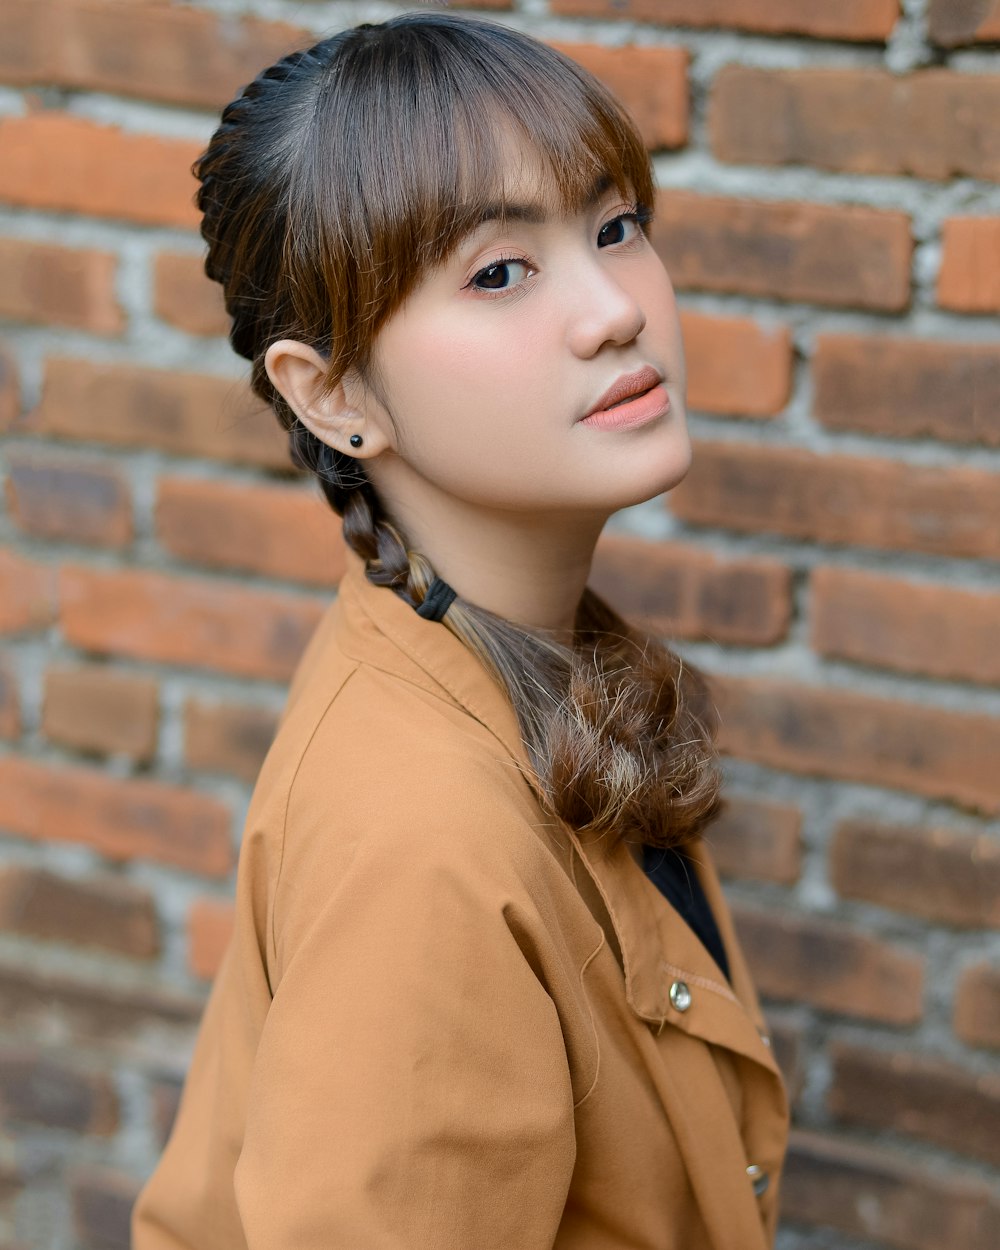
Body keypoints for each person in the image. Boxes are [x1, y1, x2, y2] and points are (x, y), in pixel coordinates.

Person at [132, 12, 789, 1249]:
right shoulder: (426, 840)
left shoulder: (517, 655)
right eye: (498, 273)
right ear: (332, 394)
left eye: (613, 227)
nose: (610, 309)